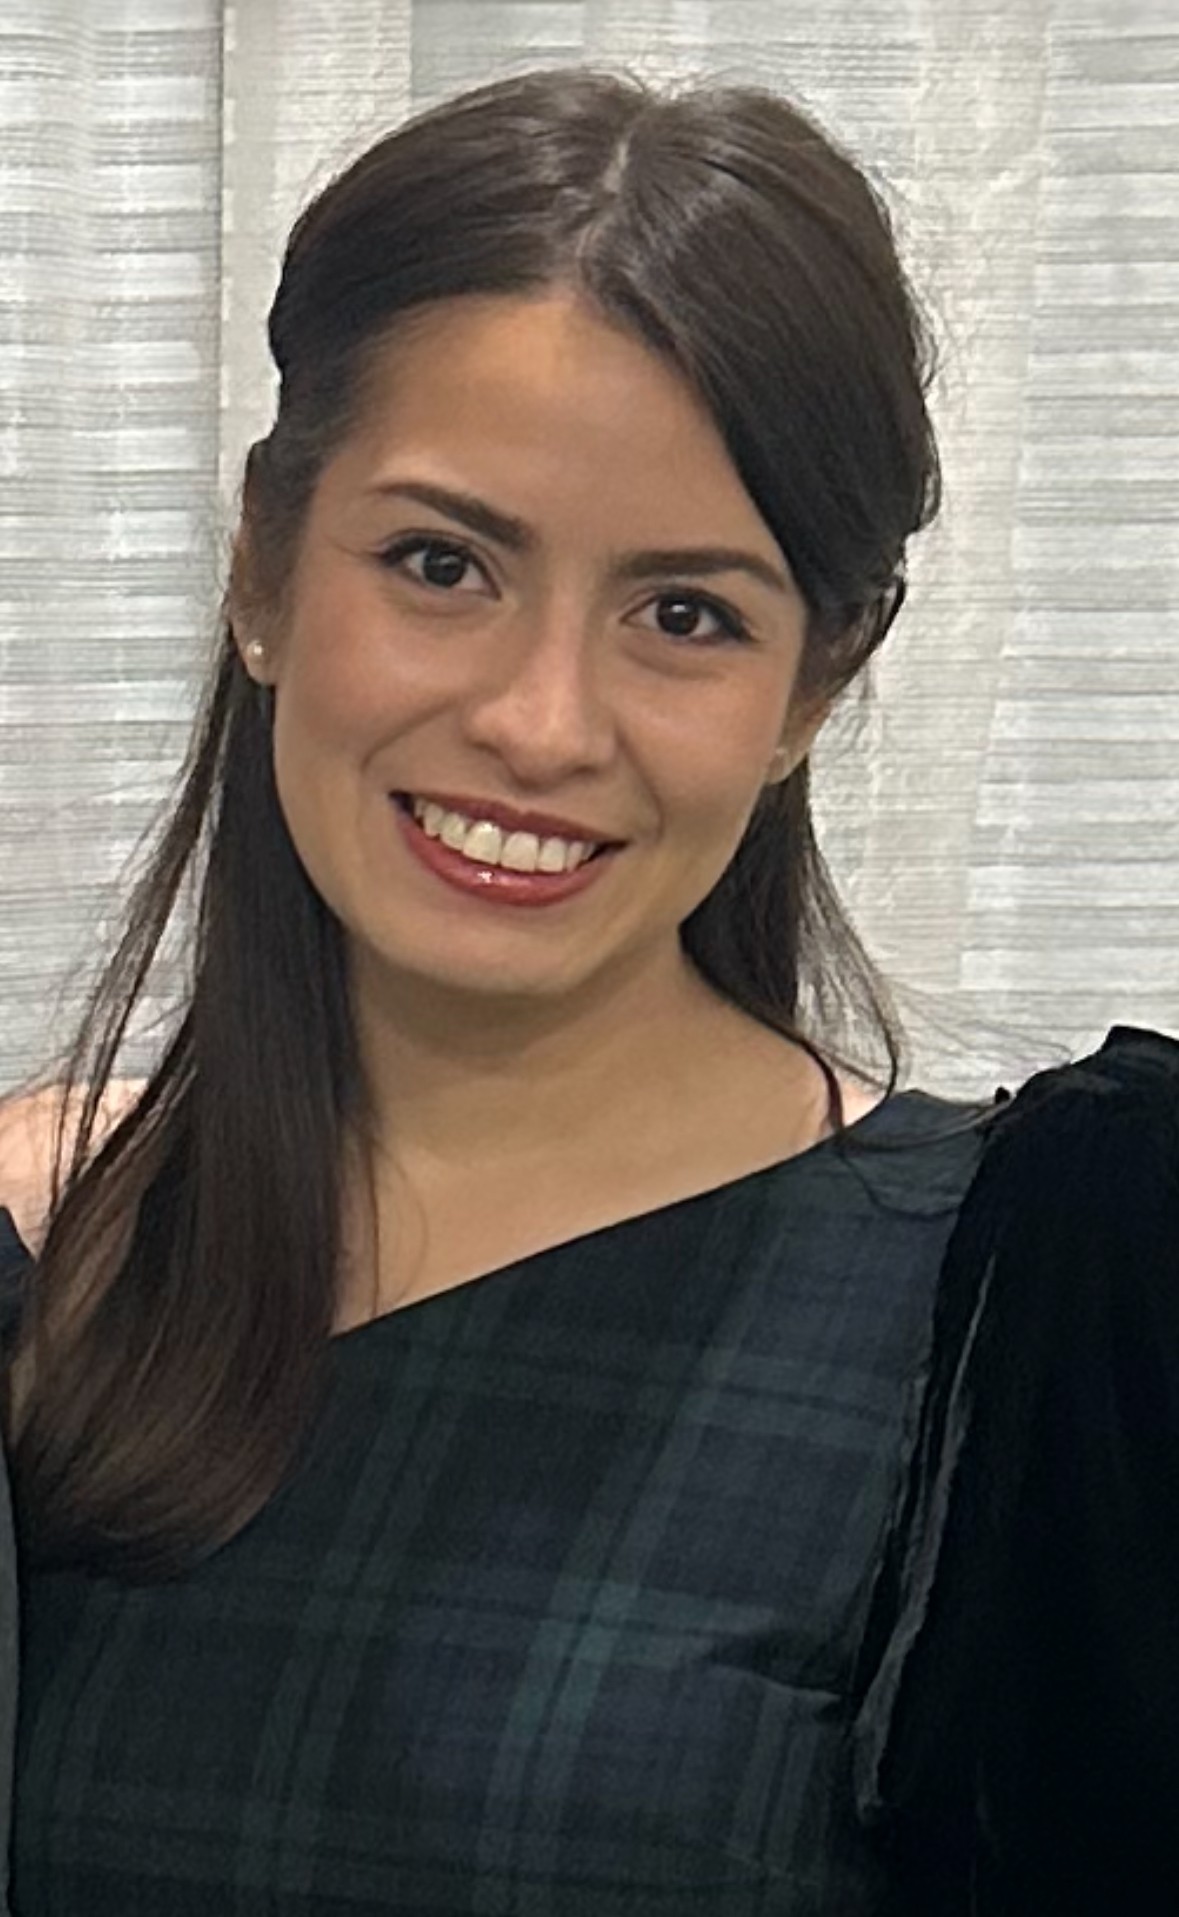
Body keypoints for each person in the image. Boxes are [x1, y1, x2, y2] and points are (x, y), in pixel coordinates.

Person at [0, 64, 1176, 1916]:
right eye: (441, 563)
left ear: (814, 685)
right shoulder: (46, 1245)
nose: (541, 721)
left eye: (685, 614)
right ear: (262, 568)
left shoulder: (1036, 1312)